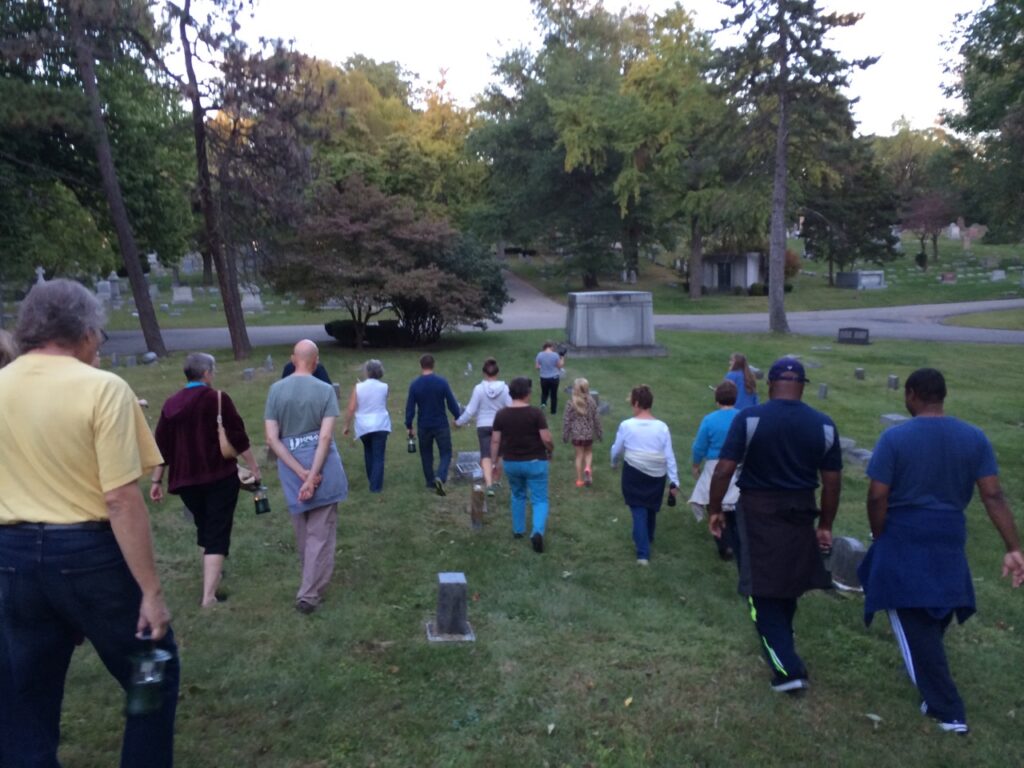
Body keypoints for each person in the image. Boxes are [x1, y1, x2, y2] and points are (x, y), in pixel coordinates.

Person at [0, 279, 177, 767]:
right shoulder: (102, 388)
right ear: (82, 330)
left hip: (11, 558)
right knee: (152, 667)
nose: (99, 340)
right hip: (87, 557)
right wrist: (151, 592)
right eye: (98, 331)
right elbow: (120, 498)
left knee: (23, 699)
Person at [857, 368, 1024, 734]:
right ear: (943, 396)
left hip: (905, 530)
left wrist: (879, 530)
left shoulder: (895, 438)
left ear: (913, 394)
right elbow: (992, 494)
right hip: (950, 531)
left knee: (904, 607)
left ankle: (946, 709)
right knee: (936, 605)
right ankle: (925, 666)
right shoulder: (974, 437)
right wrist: (1013, 547)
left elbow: (877, 494)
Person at [708, 357, 841, 694]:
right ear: (803, 385)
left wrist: (715, 509)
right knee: (790, 580)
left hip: (758, 513)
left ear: (770, 385)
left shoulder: (750, 419)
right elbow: (832, 482)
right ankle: (785, 642)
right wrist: (825, 523)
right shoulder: (823, 425)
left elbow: (724, 469)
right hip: (801, 511)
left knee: (760, 591)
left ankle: (787, 670)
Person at [150, 352, 261, 607]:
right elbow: (239, 437)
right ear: (207, 373)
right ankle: (208, 597)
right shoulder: (217, 399)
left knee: (205, 527)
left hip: (185, 481)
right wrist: (254, 468)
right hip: (218, 476)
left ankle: (214, 575)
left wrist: (157, 481)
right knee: (217, 531)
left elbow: (161, 446)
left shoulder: (170, 404)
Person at [265, 340, 349, 614]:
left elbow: (272, 439)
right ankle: (309, 593)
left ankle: (309, 581)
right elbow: (325, 436)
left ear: (293, 359)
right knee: (320, 533)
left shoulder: (276, 390)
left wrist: (299, 472)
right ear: (316, 361)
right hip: (321, 467)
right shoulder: (325, 390)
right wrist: (312, 474)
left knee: (304, 531)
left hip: (291, 469)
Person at [610, 385, 680, 565]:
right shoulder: (662, 427)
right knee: (650, 506)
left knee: (638, 509)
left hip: (634, 472)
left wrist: (614, 461)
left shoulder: (627, 425)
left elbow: (617, 449)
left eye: (632, 403)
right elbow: (669, 455)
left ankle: (643, 553)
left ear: (637, 403)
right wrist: (674, 480)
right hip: (657, 475)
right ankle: (648, 536)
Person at [491, 377, 554, 553]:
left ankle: (518, 530)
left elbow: (495, 441)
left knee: (517, 494)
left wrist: (495, 462)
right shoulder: (536, 413)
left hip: (511, 463)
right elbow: (546, 438)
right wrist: (550, 449)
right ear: (527, 393)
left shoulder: (501, 414)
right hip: (535, 462)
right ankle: (537, 532)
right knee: (539, 498)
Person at [688, 380, 740, 560]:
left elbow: (699, 446)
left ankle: (723, 544)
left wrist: (695, 465)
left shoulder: (710, 420)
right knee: (733, 505)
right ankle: (734, 541)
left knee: (714, 504)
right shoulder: (742, 417)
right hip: (737, 465)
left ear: (717, 399)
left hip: (715, 466)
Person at [405, 354, 461, 496]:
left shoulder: (415, 384)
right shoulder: (442, 382)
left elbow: (410, 407)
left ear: (421, 365)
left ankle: (430, 481)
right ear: (433, 365)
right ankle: (440, 476)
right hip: (440, 423)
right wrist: (458, 416)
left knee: (426, 453)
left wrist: (409, 425)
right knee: (446, 452)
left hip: (424, 425)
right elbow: (451, 402)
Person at [454, 357, 511, 496]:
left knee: (485, 455)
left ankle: (489, 484)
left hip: (483, 426)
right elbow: (510, 407)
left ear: (484, 373)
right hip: (501, 425)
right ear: (497, 372)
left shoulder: (479, 389)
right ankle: (496, 481)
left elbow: (470, 410)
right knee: (500, 455)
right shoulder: (505, 389)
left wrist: (458, 422)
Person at [342, 359, 391, 493]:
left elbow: (351, 408)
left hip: (364, 426)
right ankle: (376, 486)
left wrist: (346, 425)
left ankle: (372, 480)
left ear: (367, 372)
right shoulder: (385, 387)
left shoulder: (358, 388)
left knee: (368, 452)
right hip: (381, 424)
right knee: (378, 456)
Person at [562, 377, 603, 488]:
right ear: (587, 388)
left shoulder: (571, 403)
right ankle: (588, 468)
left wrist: (565, 435)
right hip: (589, 434)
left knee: (579, 456)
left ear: (574, 389)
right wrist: (599, 433)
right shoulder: (592, 402)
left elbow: (567, 421)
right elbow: (596, 419)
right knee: (588, 453)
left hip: (576, 435)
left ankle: (579, 480)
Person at [535, 340, 564, 415]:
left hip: (544, 378)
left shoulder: (539, 355)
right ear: (550, 347)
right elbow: (559, 366)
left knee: (544, 393)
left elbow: (537, 367)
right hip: (554, 378)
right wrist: (562, 358)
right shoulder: (555, 355)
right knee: (553, 395)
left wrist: (543, 366)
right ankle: (553, 411)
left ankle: (543, 404)